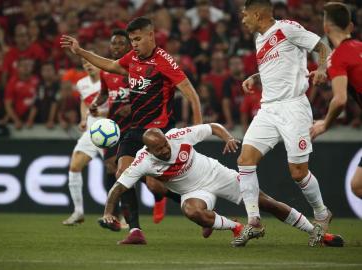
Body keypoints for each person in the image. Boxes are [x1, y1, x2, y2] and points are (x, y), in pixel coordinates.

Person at [61, 17, 202, 244]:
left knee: (157, 184)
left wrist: (198, 129)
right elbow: (110, 65)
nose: (134, 44)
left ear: (150, 36)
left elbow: (191, 94)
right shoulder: (133, 58)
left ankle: (203, 214)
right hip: (135, 130)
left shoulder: (164, 61)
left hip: (159, 132)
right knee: (122, 175)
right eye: (131, 40)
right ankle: (135, 231)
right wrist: (81, 52)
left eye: (137, 39)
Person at [101, 124, 343, 247]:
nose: (165, 150)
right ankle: (237, 227)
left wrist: (227, 137)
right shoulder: (143, 161)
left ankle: (318, 233)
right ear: (149, 151)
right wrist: (108, 212)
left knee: (267, 203)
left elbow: (212, 127)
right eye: (160, 150)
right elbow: (119, 188)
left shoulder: (177, 136)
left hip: (217, 174)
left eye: (165, 144)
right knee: (192, 212)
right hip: (193, 192)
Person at [237, 0, 332, 247]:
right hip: (269, 108)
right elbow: (278, 66)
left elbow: (321, 46)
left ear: (257, 13)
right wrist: (256, 77)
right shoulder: (260, 39)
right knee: (245, 160)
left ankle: (321, 214)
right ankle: (254, 221)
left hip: (293, 107)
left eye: (244, 14)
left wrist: (322, 68)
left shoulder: (287, 28)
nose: (242, 19)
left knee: (298, 173)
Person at [309, 2, 362, 199]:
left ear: (326, 28)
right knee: (358, 185)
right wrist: (327, 72)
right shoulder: (358, 47)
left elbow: (340, 100)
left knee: (357, 186)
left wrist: (325, 124)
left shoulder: (338, 56)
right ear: (350, 27)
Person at [62, 59, 105, 225]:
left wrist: (101, 112)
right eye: (84, 63)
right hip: (91, 130)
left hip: (107, 131)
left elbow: (117, 104)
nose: (88, 65)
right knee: (74, 167)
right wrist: (83, 118)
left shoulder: (107, 80)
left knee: (117, 172)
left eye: (91, 63)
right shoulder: (81, 83)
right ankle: (78, 212)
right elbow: (83, 101)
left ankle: (122, 216)